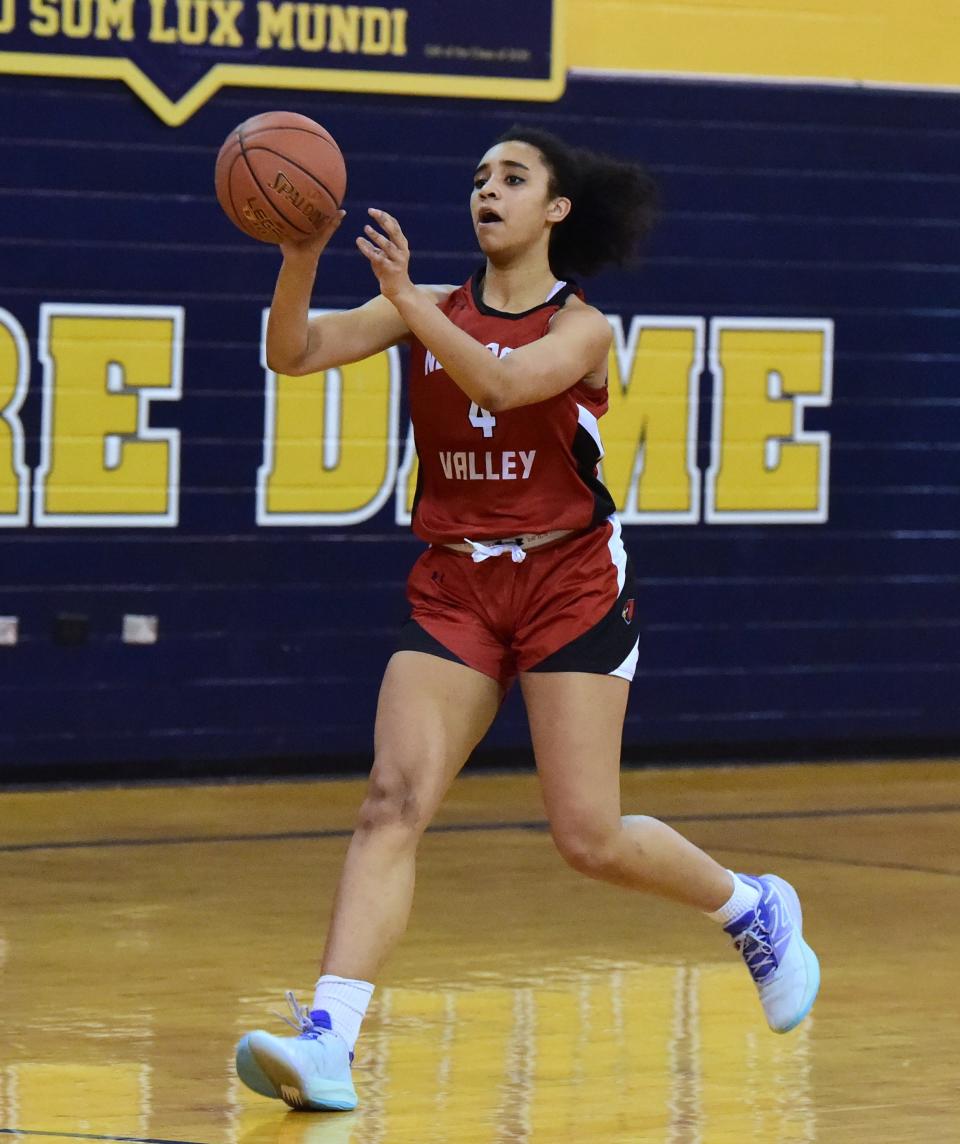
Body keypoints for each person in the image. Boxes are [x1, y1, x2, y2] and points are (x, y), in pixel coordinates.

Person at [235, 127, 820, 1113]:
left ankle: (751, 907)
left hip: (569, 581)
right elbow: (291, 352)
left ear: (556, 210)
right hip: (459, 580)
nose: (487, 191)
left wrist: (411, 305)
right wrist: (301, 257)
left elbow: (503, 384)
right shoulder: (426, 310)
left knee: (586, 835)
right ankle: (329, 1040)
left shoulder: (582, 328)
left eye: (513, 178)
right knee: (391, 801)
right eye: (477, 179)